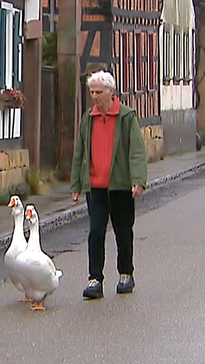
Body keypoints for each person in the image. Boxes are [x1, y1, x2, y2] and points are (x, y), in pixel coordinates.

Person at [70, 70, 147, 299]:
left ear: (111, 92)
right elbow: (80, 153)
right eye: (92, 92)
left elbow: (136, 151)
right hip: (96, 187)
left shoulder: (126, 117)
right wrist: (76, 184)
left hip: (121, 186)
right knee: (95, 232)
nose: (95, 96)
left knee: (123, 231)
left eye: (99, 92)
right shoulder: (88, 118)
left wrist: (138, 180)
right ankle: (95, 279)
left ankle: (126, 274)